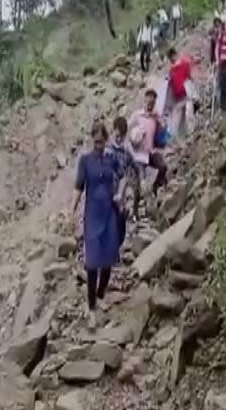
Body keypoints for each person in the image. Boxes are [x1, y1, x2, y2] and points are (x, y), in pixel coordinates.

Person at [71, 121, 125, 330]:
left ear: (106, 140)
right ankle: (91, 309)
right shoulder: (85, 161)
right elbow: (78, 187)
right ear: (91, 140)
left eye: (102, 142)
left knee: (109, 257)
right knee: (92, 262)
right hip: (92, 215)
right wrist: (71, 211)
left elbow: (122, 176)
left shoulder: (112, 158)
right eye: (96, 142)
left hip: (109, 213)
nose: (99, 145)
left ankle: (101, 294)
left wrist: (120, 194)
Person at [129, 89, 168, 196]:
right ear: (144, 100)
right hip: (139, 154)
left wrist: (160, 120)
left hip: (151, 152)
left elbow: (164, 130)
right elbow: (128, 130)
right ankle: (136, 208)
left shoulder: (155, 117)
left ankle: (156, 187)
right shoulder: (137, 115)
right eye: (149, 102)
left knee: (163, 167)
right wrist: (134, 138)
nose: (150, 105)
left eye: (153, 103)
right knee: (140, 182)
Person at [108, 116, 141, 221]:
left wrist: (141, 181)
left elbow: (137, 167)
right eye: (116, 136)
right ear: (112, 131)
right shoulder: (105, 150)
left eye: (121, 137)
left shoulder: (126, 153)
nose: (118, 139)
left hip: (120, 194)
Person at [166, 47, 198, 138]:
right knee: (181, 116)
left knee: (187, 113)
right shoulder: (173, 69)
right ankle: (181, 135)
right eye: (170, 59)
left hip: (185, 94)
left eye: (171, 58)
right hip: (180, 95)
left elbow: (188, 77)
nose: (171, 60)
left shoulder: (181, 65)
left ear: (174, 55)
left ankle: (190, 133)